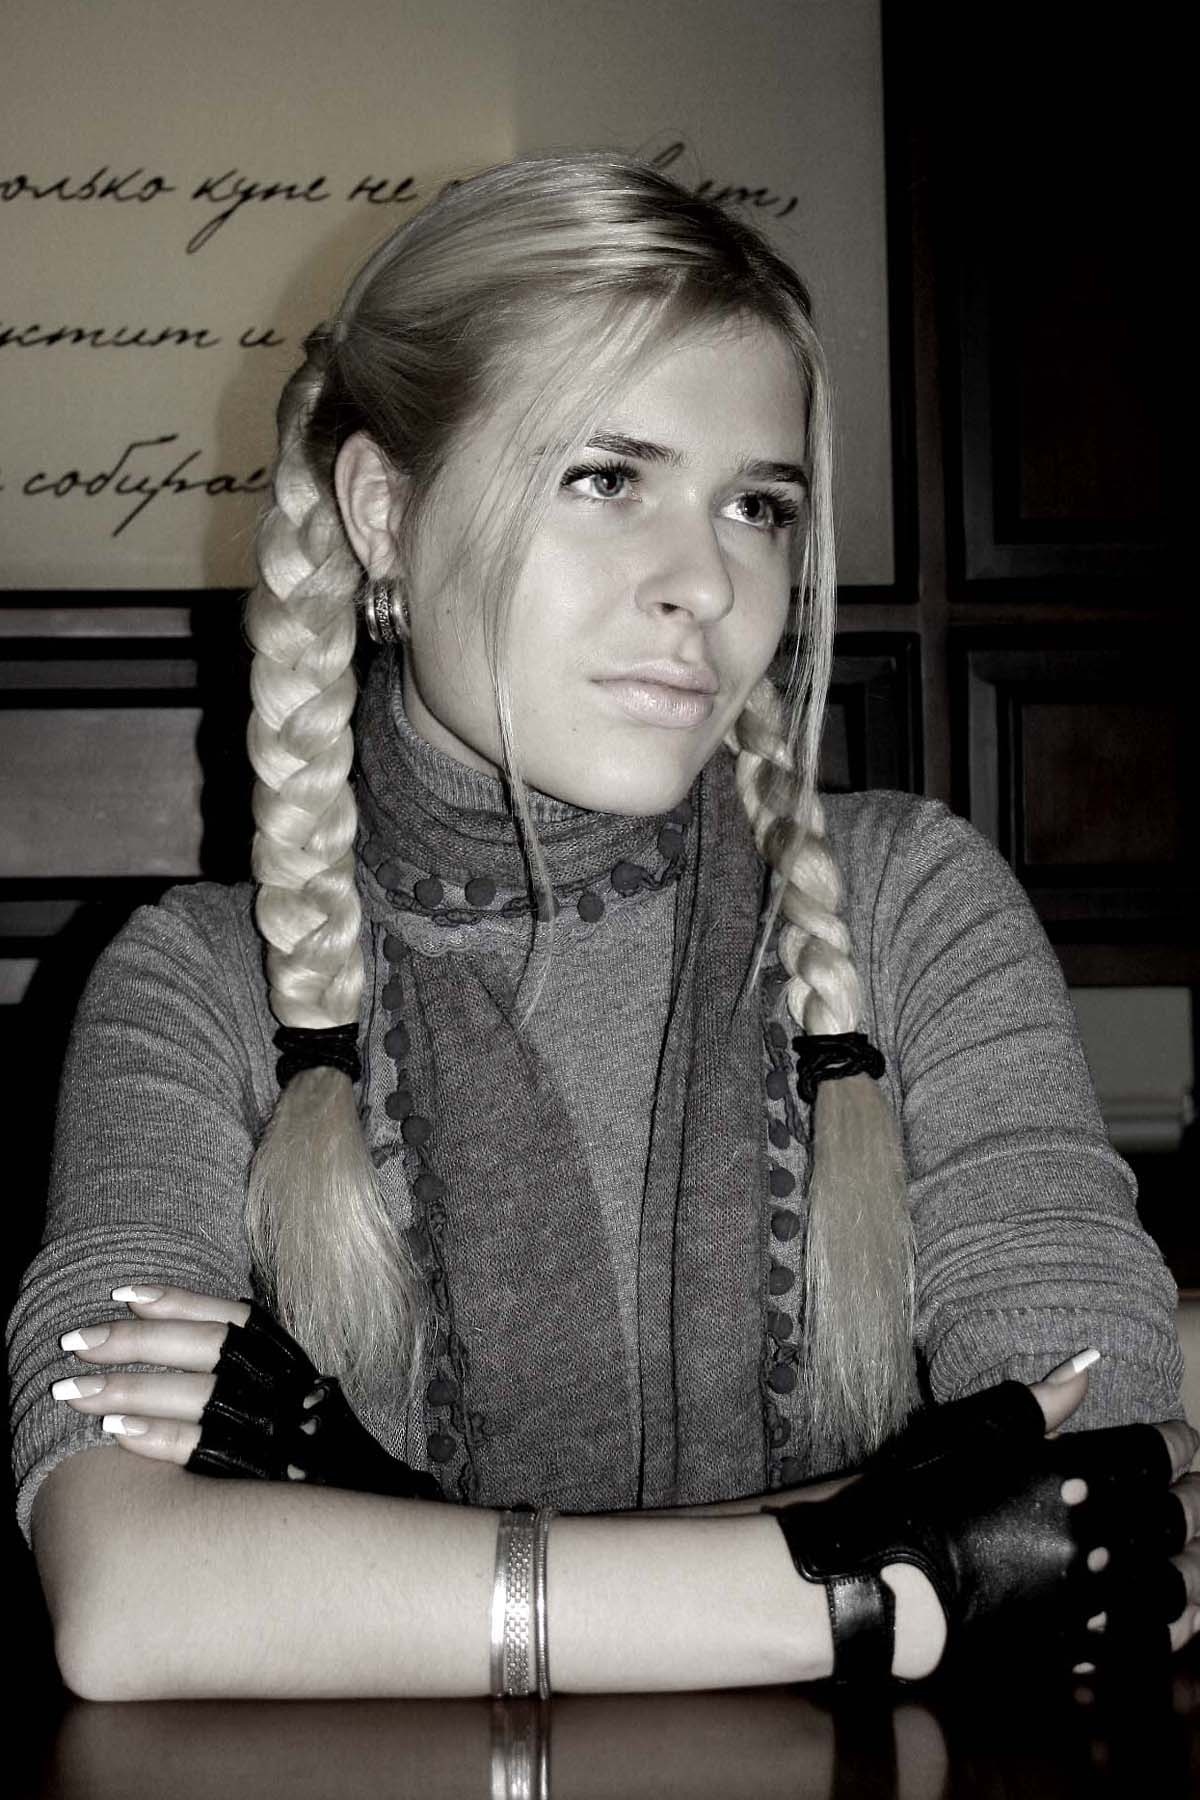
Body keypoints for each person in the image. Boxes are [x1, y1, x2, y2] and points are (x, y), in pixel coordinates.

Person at [8, 153, 1198, 1702]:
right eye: (606, 478)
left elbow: (1109, 1510)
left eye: (757, 506)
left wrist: (378, 1542)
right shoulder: (194, 989)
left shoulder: (912, 906)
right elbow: (127, 1606)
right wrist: (885, 1576)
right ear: (386, 512)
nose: (705, 582)